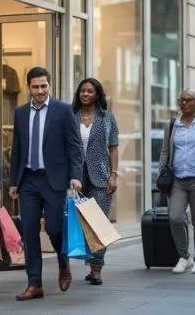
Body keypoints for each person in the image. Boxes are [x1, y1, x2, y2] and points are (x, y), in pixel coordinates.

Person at [8, 67, 83, 300]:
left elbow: (75, 146)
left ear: (49, 85)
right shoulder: (21, 113)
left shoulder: (63, 110)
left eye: (44, 86)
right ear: (29, 88)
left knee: (54, 227)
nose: (40, 91)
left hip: (54, 180)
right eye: (35, 87)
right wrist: (13, 181)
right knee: (29, 230)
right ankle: (34, 284)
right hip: (28, 180)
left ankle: (63, 261)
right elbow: (17, 149)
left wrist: (76, 175)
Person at [159, 89, 195, 274]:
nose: (184, 103)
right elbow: (165, 151)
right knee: (175, 218)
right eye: (181, 100)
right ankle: (185, 256)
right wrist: (161, 173)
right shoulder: (172, 125)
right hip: (177, 180)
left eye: (188, 100)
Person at [72, 77, 119, 285]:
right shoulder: (71, 116)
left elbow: (113, 147)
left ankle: (96, 268)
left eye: (90, 91)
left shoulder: (107, 117)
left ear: (97, 94)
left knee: (98, 222)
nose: (85, 94)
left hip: (100, 176)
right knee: (78, 223)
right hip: (75, 177)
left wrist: (114, 174)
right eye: (83, 91)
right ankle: (84, 260)